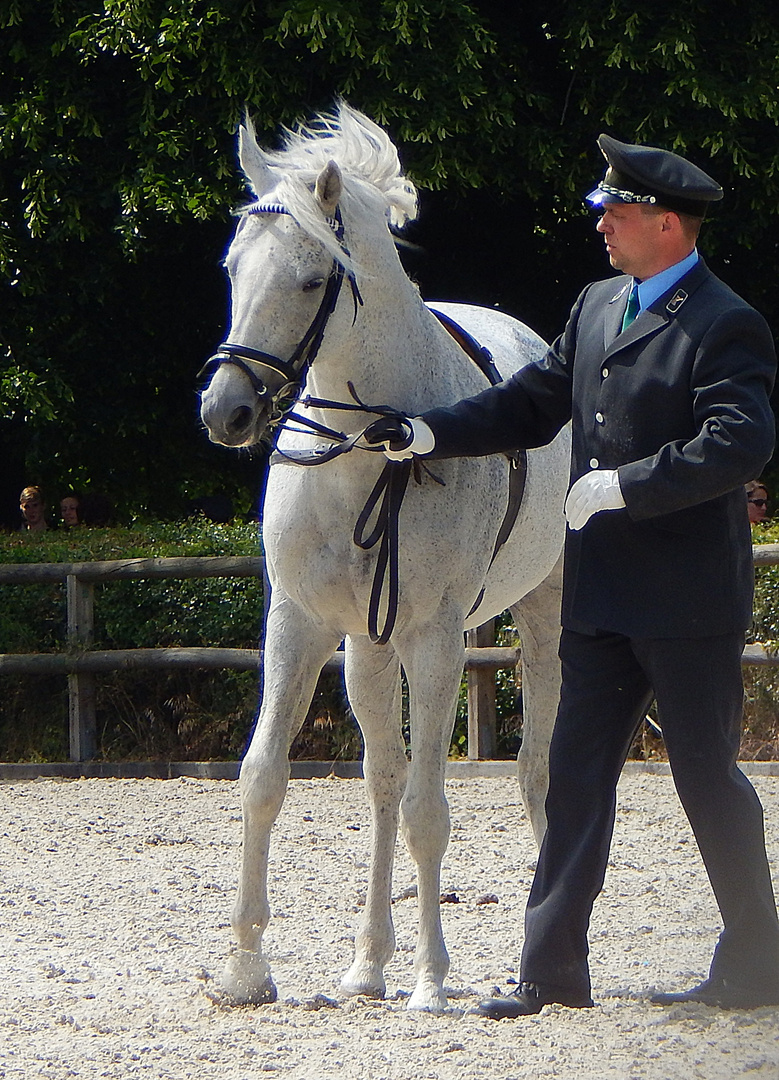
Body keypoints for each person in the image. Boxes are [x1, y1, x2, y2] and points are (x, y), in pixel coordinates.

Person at [364, 134, 779, 1014]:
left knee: (706, 779)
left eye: (614, 212)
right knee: (573, 776)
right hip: (600, 595)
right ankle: (548, 974)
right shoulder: (596, 305)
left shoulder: (723, 321)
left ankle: (754, 963)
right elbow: (529, 403)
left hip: (686, 599)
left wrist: (625, 486)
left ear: (664, 225)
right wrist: (430, 431)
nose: (599, 224)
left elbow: (740, 441)